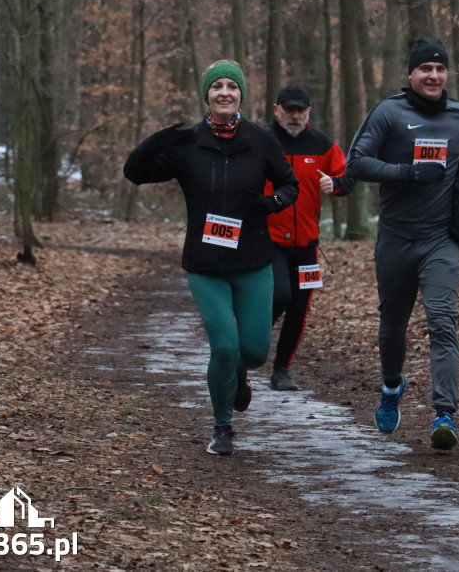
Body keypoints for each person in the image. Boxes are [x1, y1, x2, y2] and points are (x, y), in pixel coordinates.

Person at [123, 60, 299, 457]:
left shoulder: (260, 139)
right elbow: (134, 172)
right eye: (216, 86)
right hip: (205, 266)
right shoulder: (188, 141)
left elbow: (291, 184)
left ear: (241, 95)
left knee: (253, 352)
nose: (224, 92)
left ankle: (240, 373)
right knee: (222, 346)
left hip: (253, 260)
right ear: (206, 95)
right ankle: (222, 426)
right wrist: (160, 138)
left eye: (231, 87)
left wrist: (270, 203)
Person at [346, 37, 459, 451]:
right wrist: (409, 172)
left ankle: (444, 414)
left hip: (441, 239)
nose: (433, 75)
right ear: (411, 74)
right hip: (396, 238)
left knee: (443, 321)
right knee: (392, 328)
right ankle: (392, 387)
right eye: (425, 69)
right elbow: (356, 163)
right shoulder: (390, 112)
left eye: (440, 69)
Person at [264, 82, 355, 391]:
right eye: (288, 110)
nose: (294, 116)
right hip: (269, 242)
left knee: (300, 308)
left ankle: (281, 370)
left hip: (307, 246)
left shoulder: (321, 144)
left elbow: (347, 174)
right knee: (279, 296)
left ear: (309, 113)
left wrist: (337, 185)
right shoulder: (262, 141)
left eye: (300, 110)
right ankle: (250, 349)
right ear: (276, 111)